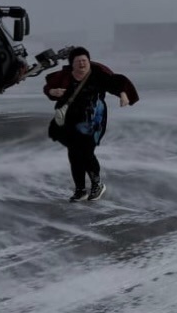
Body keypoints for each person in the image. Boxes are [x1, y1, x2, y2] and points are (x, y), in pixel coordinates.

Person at [43, 46, 139, 202]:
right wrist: (53, 92)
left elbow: (117, 83)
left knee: (86, 151)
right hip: (70, 121)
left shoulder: (97, 75)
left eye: (84, 61)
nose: (82, 64)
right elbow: (48, 88)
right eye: (78, 61)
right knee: (74, 154)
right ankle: (80, 190)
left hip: (93, 119)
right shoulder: (65, 76)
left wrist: (123, 95)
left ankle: (97, 184)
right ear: (72, 64)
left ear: (89, 61)